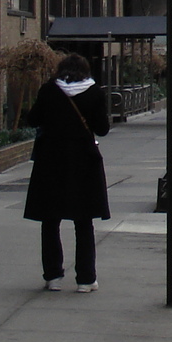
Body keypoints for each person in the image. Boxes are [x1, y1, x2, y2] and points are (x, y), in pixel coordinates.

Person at [24, 54, 111, 293]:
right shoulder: (95, 92)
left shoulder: (49, 90)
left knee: (50, 220)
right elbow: (102, 129)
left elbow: (33, 119)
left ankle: (53, 276)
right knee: (84, 222)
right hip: (83, 163)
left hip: (50, 162)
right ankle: (85, 278)